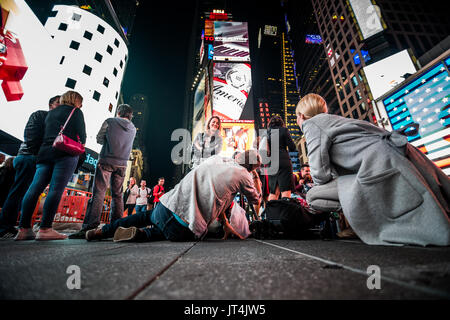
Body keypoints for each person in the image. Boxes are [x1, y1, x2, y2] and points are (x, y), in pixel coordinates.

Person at [296, 93, 450, 246]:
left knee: (312, 196)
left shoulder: (311, 125)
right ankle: (359, 223)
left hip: (379, 168)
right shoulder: (337, 121)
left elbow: (319, 175)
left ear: (301, 116)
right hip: (401, 159)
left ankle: (365, 223)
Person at [84, 150, 262, 243]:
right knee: (160, 232)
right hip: (183, 227)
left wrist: (225, 222)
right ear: (252, 167)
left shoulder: (215, 159)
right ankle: (140, 234)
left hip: (165, 206)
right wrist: (255, 177)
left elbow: (216, 195)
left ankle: (102, 231)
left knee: (143, 216)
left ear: (238, 156)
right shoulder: (243, 175)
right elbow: (257, 199)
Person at [15, 91, 86, 240]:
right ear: (76, 101)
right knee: (55, 190)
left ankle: (23, 229)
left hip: (45, 153)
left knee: (34, 189)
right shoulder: (76, 112)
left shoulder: (51, 113)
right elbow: (83, 137)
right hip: (65, 153)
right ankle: (45, 229)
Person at [69, 104, 136, 239]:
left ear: (118, 112)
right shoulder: (133, 128)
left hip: (106, 160)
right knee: (117, 195)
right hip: (122, 165)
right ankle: (116, 227)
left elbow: (99, 138)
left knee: (99, 192)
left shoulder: (110, 121)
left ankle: (90, 226)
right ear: (130, 115)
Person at [0, 95, 60, 239]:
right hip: (29, 158)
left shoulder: (55, 121)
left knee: (23, 193)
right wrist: (38, 155)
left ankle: (13, 226)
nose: (61, 106)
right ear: (51, 104)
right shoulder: (40, 115)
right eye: (59, 103)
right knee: (18, 192)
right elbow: (31, 136)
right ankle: (4, 226)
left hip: (35, 159)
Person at [267, 115, 297, 201]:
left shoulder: (266, 133)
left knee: (273, 192)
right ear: (281, 123)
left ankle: (272, 214)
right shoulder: (284, 130)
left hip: (271, 163)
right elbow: (292, 147)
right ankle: (284, 213)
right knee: (285, 190)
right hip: (283, 161)